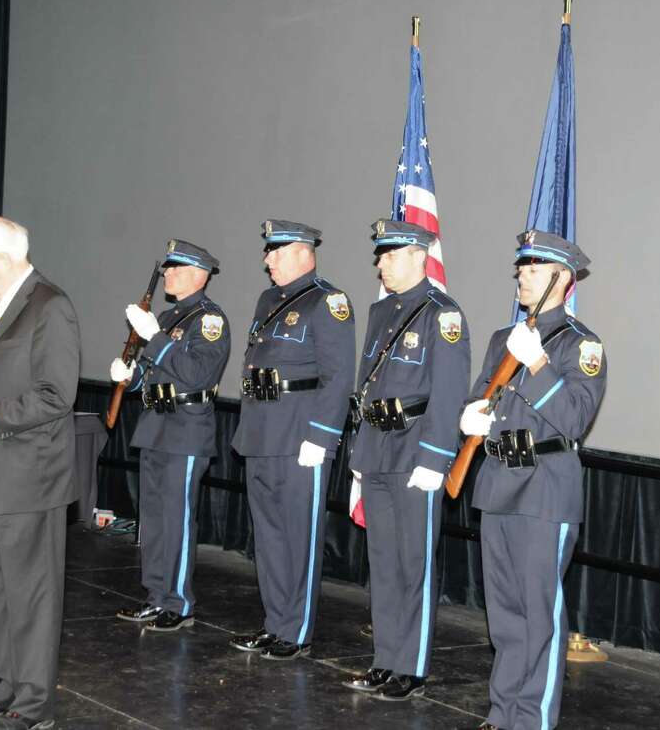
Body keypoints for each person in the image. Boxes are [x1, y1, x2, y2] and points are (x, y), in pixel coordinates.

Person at [456, 230, 606, 730]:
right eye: (522, 268)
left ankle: (532, 720)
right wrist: (470, 417)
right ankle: (503, 712)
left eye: (534, 269)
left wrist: (539, 362)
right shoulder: (504, 340)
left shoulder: (581, 346)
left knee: (538, 613)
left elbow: (574, 418)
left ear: (562, 280)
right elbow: (481, 395)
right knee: (504, 615)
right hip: (498, 480)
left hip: (545, 486)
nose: (522, 275)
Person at [0, 216, 80, 730]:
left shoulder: (50, 306)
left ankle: (34, 705)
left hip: (28, 478)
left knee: (32, 597)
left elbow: (55, 395)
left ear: (3, 258)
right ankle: (6, 686)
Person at [341, 219, 469, 700]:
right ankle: (384, 660)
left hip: (416, 450)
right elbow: (367, 385)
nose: (381, 264)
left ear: (419, 255)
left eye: (390, 255)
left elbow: (450, 390)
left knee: (413, 563)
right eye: (380, 255)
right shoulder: (380, 312)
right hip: (377, 449)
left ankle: (411, 668)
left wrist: (435, 457)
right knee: (384, 563)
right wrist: (359, 458)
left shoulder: (443, 314)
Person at [228, 220, 356, 660]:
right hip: (262, 432)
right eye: (268, 252)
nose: (268, 260)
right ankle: (274, 622)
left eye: (276, 252)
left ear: (304, 252)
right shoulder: (269, 300)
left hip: (300, 436)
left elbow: (339, 375)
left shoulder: (328, 301)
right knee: (268, 537)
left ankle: (296, 631)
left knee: (298, 536)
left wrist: (321, 436)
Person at [111, 239, 230, 631]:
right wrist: (130, 379)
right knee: (155, 519)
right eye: (167, 268)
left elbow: (197, 373)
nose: (167, 274)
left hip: (186, 428)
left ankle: (178, 602)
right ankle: (155, 595)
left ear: (198, 275)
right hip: (156, 424)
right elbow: (153, 372)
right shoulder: (166, 318)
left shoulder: (209, 321)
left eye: (175, 269)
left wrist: (156, 338)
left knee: (177, 519)